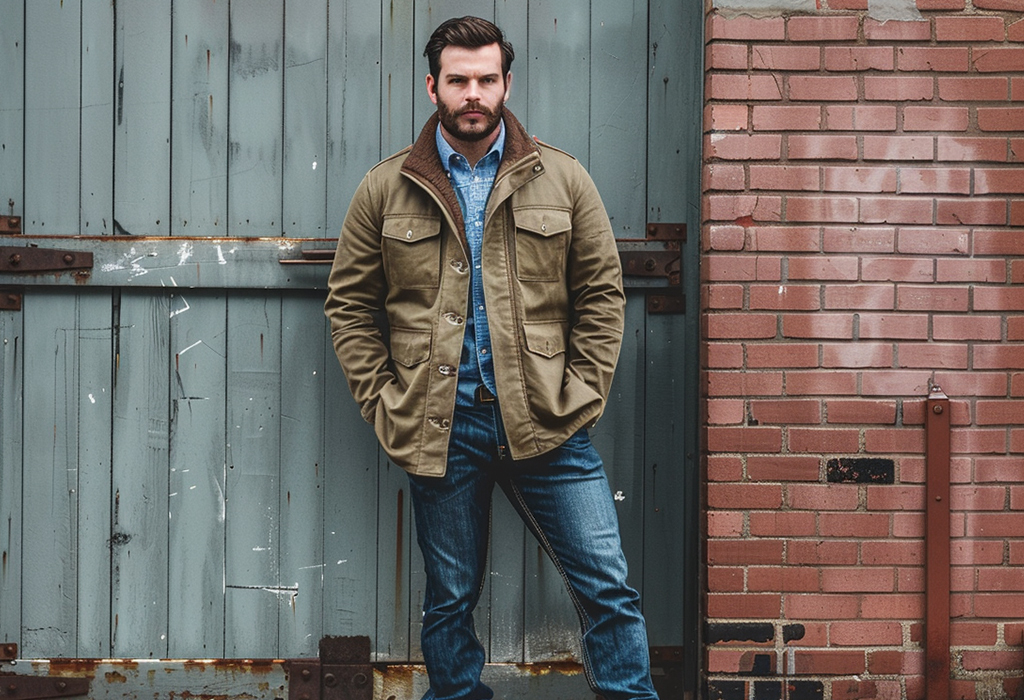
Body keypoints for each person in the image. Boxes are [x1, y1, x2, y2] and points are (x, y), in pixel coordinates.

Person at [324, 16, 659, 700]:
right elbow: (351, 307)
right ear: (432, 87)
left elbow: (600, 292)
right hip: (440, 426)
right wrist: (387, 404)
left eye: (485, 79)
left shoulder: (562, 179)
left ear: (507, 82)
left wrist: (580, 392)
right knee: (450, 599)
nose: (472, 94)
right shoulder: (385, 189)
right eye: (458, 81)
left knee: (608, 586)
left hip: (548, 424)